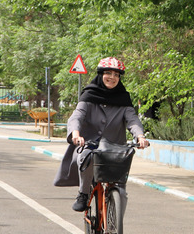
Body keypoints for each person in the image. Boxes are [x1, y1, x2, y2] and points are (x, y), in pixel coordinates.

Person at [53, 57, 150, 212]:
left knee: (121, 190)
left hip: (114, 148)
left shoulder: (123, 98)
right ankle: (83, 193)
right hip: (89, 145)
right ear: (100, 74)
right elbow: (77, 116)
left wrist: (140, 136)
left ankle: (116, 223)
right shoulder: (89, 96)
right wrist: (76, 134)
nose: (112, 77)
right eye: (108, 73)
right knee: (86, 157)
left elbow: (133, 120)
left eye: (116, 75)